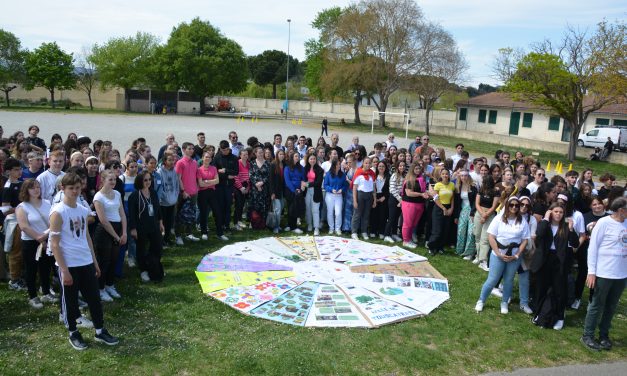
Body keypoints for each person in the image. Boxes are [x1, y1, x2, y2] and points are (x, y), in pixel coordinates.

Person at [50, 173, 119, 350]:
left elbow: (86, 237)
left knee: (94, 299)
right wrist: (64, 271)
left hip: (85, 261)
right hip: (69, 264)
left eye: (77, 188)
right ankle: (73, 332)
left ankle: (99, 330)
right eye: (71, 188)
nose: (74, 191)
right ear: (62, 189)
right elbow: (55, 244)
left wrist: (94, 261)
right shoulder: (58, 212)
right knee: (70, 301)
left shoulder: (82, 209)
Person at [581, 197, 626, 351]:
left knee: (611, 306)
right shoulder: (604, 223)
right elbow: (592, 248)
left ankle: (604, 335)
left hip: (621, 274)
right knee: (597, 305)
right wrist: (591, 272)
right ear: (621, 210)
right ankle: (588, 335)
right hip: (604, 272)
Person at [475, 196, 529, 314]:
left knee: (509, 280)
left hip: (514, 256)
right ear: (507, 205)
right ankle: (481, 300)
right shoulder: (499, 218)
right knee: (493, 279)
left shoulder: (522, 221)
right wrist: (499, 254)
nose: (514, 207)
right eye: (511, 205)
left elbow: (525, 239)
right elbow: (491, 236)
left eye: (516, 205)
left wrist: (517, 255)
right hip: (498, 254)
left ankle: (504, 302)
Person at [531, 203, 579, 330]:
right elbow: (539, 234)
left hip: (559, 261)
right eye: (556, 211)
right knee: (541, 288)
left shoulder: (565, 227)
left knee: (559, 291)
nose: (558, 214)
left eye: (561, 212)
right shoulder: (545, 224)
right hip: (544, 260)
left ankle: (560, 317)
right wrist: (546, 218)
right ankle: (539, 314)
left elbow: (575, 243)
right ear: (551, 212)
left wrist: (572, 229)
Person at [15, 179, 54, 309]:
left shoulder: (47, 203)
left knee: (46, 267)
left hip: (47, 239)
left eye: (38, 187)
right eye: (33, 188)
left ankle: (46, 292)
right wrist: (39, 238)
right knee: (31, 269)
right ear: (26, 190)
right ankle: (33, 296)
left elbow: (52, 221)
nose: (36, 190)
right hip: (31, 242)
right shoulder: (22, 207)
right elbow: (24, 226)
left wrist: (46, 236)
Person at [93, 170, 127, 302]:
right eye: (110, 179)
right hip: (105, 231)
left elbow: (122, 214)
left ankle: (109, 285)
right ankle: (100, 288)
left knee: (114, 259)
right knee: (104, 261)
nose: (113, 182)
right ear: (102, 180)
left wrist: (123, 233)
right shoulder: (98, 197)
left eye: (114, 179)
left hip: (118, 229)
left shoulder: (117, 193)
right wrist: (116, 236)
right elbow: (103, 220)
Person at [572, 197, 608, 311]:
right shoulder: (585, 216)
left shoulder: (608, 217)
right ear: (590, 206)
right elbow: (581, 232)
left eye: (599, 204)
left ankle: (592, 300)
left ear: (603, 205)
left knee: (596, 276)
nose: (597, 206)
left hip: (602, 252)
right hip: (586, 250)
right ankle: (577, 298)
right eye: (594, 204)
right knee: (582, 274)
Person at [128, 171, 165, 283]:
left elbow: (158, 209)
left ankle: (155, 266)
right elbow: (132, 214)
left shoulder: (153, 192)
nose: (148, 182)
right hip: (141, 227)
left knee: (158, 246)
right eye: (145, 180)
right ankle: (143, 270)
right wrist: (133, 229)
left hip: (153, 224)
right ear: (140, 181)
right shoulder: (134, 196)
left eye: (149, 179)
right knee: (141, 249)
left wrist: (161, 222)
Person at [197, 151, 225, 241]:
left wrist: (207, 181)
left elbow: (217, 181)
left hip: (212, 193)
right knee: (203, 213)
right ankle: (204, 232)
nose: (208, 158)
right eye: (206, 157)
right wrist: (211, 181)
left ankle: (220, 233)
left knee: (217, 212)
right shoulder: (199, 170)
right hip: (202, 194)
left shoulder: (213, 168)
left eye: (209, 157)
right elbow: (200, 184)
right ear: (202, 158)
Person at [175, 142, 200, 243]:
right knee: (180, 215)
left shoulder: (194, 162)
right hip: (183, 194)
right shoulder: (180, 163)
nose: (191, 150)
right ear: (184, 150)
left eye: (192, 149)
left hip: (194, 193)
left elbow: (195, 177)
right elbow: (178, 178)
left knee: (190, 215)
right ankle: (178, 236)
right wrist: (183, 191)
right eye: (189, 148)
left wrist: (196, 188)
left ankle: (189, 234)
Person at [400, 162, 428, 248]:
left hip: (419, 204)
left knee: (413, 223)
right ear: (412, 169)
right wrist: (421, 194)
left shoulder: (420, 179)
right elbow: (408, 193)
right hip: (409, 204)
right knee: (408, 223)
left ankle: (409, 239)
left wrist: (426, 194)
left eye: (419, 169)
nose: (418, 170)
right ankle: (405, 240)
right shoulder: (409, 179)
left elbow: (423, 190)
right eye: (416, 169)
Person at [428, 169, 455, 255]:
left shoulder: (452, 185)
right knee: (437, 230)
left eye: (446, 174)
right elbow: (436, 198)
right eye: (443, 174)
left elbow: (452, 198)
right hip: (439, 208)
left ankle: (440, 247)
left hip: (448, 207)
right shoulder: (438, 185)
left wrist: (451, 208)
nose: (445, 175)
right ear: (440, 175)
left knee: (445, 229)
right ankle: (432, 247)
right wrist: (443, 208)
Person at [214, 140, 239, 233]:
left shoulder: (234, 158)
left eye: (227, 149)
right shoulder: (217, 158)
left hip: (229, 186)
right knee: (220, 206)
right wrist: (227, 175)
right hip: (219, 186)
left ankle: (227, 225)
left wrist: (225, 170)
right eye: (223, 150)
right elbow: (215, 172)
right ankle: (220, 225)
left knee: (228, 206)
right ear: (220, 149)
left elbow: (236, 172)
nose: (225, 151)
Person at [157, 151, 179, 247]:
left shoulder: (174, 171)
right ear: (164, 161)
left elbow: (176, 184)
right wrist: (165, 198)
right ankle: (161, 241)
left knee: (169, 222)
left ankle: (167, 239)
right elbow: (160, 187)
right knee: (163, 223)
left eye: (173, 160)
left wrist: (175, 196)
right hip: (163, 203)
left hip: (172, 201)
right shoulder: (159, 172)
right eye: (169, 160)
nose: (172, 162)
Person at [351, 157, 376, 240]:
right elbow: (354, 188)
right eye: (366, 163)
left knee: (366, 214)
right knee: (357, 214)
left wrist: (375, 200)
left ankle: (364, 231)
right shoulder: (358, 173)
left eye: (369, 163)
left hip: (369, 196)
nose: (368, 164)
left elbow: (373, 188)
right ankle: (354, 232)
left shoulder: (372, 174)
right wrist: (355, 200)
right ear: (363, 163)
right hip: (360, 195)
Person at [455, 169, 477, 258]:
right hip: (462, 211)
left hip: (472, 211)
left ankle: (469, 253)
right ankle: (460, 250)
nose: (464, 177)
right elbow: (456, 203)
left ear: (468, 176)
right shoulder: (458, 187)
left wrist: (473, 213)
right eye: (462, 175)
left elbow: (475, 201)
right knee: (461, 231)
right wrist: (456, 216)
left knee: (471, 232)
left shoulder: (473, 187)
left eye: (466, 175)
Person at [384, 160, 406, 243]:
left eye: (403, 166)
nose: (402, 167)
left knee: (397, 217)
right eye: (400, 166)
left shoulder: (404, 176)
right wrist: (400, 200)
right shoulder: (394, 175)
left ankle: (394, 234)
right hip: (394, 199)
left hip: (401, 200)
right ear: (397, 167)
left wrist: (401, 200)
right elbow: (393, 189)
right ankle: (386, 235)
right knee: (391, 217)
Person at [284, 151, 306, 234]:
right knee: (290, 208)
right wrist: (294, 190)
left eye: (298, 156)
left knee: (295, 209)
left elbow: (303, 179)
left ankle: (293, 226)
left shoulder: (301, 168)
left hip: (298, 191)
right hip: (290, 191)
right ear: (292, 157)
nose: (297, 157)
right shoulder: (287, 168)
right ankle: (290, 225)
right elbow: (287, 181)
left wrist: (300, 188)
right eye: (296, 156)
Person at [249, 146, 271, 226]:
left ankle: (263, 223)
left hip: (264, 187)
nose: (261, 154)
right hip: (255, 188)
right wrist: (256, 184)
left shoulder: (268, 163)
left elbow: (269, 176)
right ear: (255, 153)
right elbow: (250, 175)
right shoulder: (252, 163)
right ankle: (254, 222)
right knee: (254, 205)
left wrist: (262, 182)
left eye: (262, 152)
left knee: (265, 204)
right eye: (259, 152)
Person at [323, 159, 346, 235]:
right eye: (336, 164)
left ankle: (338, 228)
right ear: (333, 165)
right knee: (330, 212)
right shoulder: (328, 174)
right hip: (330, 195)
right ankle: (331, 228)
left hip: (339, 196)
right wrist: (331, 190)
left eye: (339, 164)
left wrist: (341, 190)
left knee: (338, 213)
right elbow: (325, 185)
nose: (338, 166)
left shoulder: (343, 175)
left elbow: (345, 186)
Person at [303, 154, 324, 235]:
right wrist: (303, 184)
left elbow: (318, 183)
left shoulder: (320, 170)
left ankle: (316, 228)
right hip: (307, 192)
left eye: (314, 159)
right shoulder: (305, 169)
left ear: (316, 160)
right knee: (308, 209)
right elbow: (303, 179)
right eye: (311, 159)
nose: (312, 160)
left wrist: (307, 184)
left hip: (316, 192)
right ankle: (309, 224)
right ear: (308, 160)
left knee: (315, 210)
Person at [233, 148, 251, 231]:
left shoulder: (248, 164)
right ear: (240, 155)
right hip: (238, 187)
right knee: (238, 205)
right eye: (244, 155)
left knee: (242, 205)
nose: (245, 156)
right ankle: (235, 223)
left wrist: (247, 188)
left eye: (247, 154)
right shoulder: (237, 163)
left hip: (246, 187)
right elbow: (236, 177)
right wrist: (241, 188)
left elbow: (249, 177)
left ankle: (240, 221)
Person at [370, 161, 389, 239]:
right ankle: (373, 231)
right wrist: (375, 198)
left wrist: (384, 197)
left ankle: (381, 231)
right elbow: (371, 187)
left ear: (385, 168)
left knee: (383, 215)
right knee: (374, 215)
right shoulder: (374, 176)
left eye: (383, 166)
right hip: (374, 196)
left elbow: (389, 189)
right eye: (380, 166)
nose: (381, 168)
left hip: (384, 197)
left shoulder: (388, 177)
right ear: (377, 167)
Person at [268, 149, 286, 234]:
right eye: (280, 154)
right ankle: (275, 226)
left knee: (281, 208)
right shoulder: (273, 164)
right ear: (277, 155)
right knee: (277, 209)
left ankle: (278, 225)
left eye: (283, 154)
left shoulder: (285, 164)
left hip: (283, 190)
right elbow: (270, 180)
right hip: (275, 191)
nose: (281, 156)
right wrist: (272, 193)